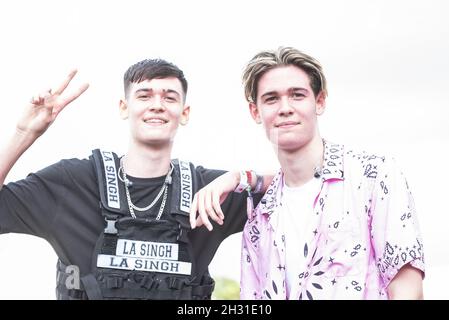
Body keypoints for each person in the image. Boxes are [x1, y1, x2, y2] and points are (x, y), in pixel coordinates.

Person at [0, 59, 264, 300]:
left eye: (170, 97)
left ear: (184, 113)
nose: (157, 105)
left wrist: (243, 178)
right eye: (144, 95)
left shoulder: (211, 192)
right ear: (124, 108)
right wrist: (23, 133)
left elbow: (302, 190)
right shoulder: (74, 182)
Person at [192, 47, 425, 300]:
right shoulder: (260, 216)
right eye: (271, 99)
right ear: (255, 112)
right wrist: (238, 177)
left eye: (297, 95)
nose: (285, 108)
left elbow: (407, 289)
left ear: (320, 101)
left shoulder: (374, 178)